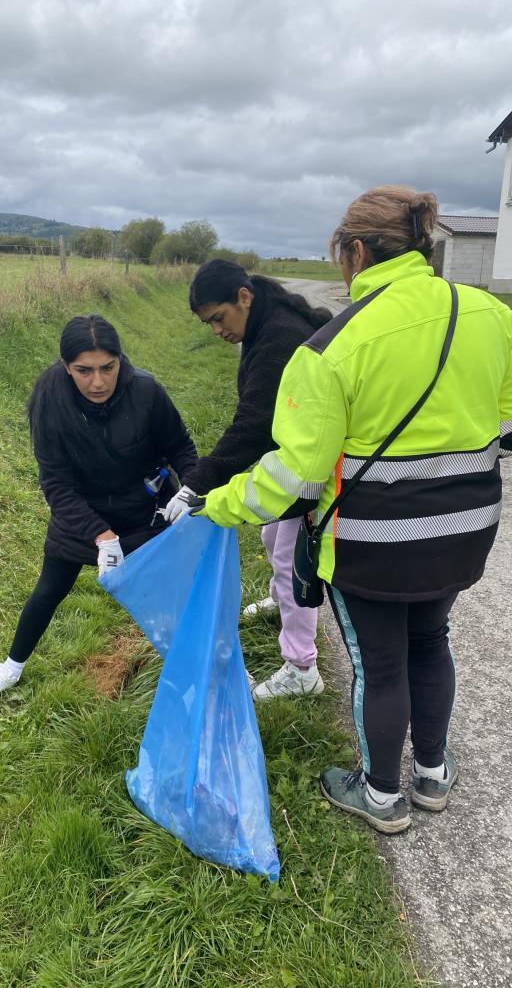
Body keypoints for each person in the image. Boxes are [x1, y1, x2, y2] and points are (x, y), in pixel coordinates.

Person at [196, 186, 512, 833]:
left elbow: (295, 477)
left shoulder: (330, 349)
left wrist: (219, 503)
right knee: (431, 639)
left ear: (355, 252)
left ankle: (382, 795)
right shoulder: (487, 313)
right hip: (465, 528)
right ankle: (432, 774)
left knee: (380, 665)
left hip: (371, 543)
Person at [0, 314, 198, 699]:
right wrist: (101, 535)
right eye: (84, 371)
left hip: (145, 512)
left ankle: (200, 668)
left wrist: (192, 486)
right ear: (66, 366)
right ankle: (11, 667)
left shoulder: (147, 392)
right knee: (49, 590)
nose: (98, 382)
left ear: (120, 360)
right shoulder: (50, 402)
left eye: (108, 367)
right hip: (80, 515)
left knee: (169, 597)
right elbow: (56, 485)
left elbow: (181, 449)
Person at [164, 259, 331, 700]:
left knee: (293, 562)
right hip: (292, 456)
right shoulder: (264, 321)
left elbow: (253, 423)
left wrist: (197, 482)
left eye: (219, 318)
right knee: (274, 538)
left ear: (244, 297)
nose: (217, 330)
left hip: (306, 467)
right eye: (209, 324)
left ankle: (302, 667)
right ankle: (280, 601)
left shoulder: (280, 337)